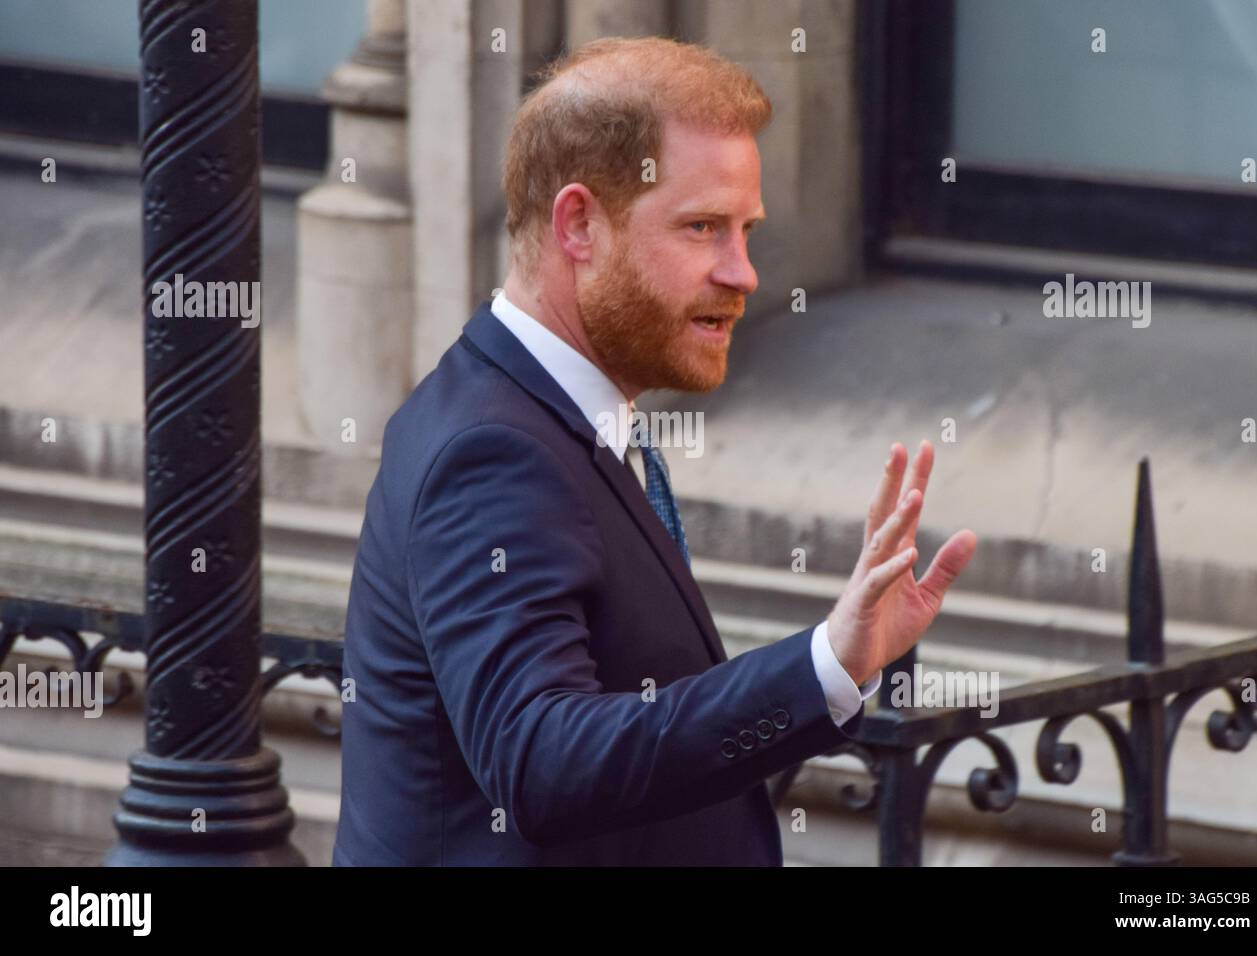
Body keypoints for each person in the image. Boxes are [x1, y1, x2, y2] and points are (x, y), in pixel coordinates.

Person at [332, 35, 977, 866]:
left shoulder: (555, 411)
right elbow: (540, 761)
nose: (743, 272)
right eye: (703, 227)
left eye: (745, 230)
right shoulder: (493, 451)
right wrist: (823, 663)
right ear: (579, 226)